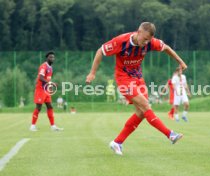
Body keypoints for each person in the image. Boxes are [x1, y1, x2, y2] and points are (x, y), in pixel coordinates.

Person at [86, 22, 187, 155]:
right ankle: (170, 135)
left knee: (141, 113)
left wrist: (180, 61)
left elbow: (166, 48)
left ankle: (117, 142)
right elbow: (101, 51)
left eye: (149, 40)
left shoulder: (150, 42)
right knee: (146, 106)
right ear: (138, 32)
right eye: (144, 39)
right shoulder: (121, 41)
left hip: (139, 79)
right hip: (124, 80)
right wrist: (93, 73)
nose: (146, 43)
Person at [30, 51, 63, 131]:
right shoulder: (43, 66)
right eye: (50, 57)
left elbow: (47, 79)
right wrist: (51, 83)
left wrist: (50, 86)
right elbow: (41, 78)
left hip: (46, 90)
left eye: (53, 57)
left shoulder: (50, 68)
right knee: (38, 107)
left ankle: (53, 126)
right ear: (47, 58)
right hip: (40, 90)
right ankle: (32, 126)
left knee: (50, 106)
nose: (52, 58)